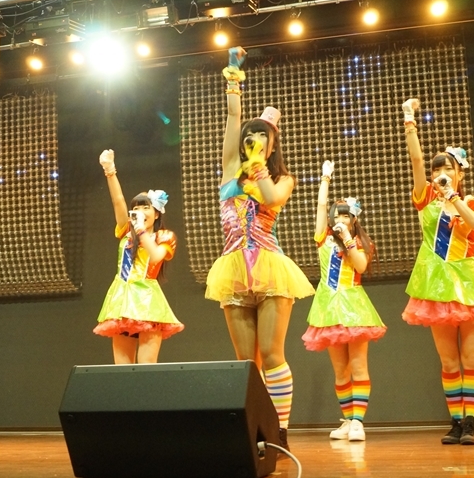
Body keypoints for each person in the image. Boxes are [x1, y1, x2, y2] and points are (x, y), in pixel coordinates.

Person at [204, 47, 314, 449]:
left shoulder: (283, 179)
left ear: (272, 145)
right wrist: (233, 77)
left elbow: (269, 198)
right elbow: (233, 119)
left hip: (269, 267)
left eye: (261, 136)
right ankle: (252, 430)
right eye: (250, 137)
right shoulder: (229, 173)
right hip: (233, 269)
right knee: (245, 363)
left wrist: (259, 168)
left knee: (271, 353)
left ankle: (279, 431)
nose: (252, 140)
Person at [400, 98, 474, 446]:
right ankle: (455, 421)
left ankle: (471, 423)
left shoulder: (473, 201)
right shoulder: (424, 198)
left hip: (469, 282)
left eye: (446, 168)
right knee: (449, 361)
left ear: (460, 173)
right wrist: (409, 120)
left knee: (471, 357)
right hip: (435, 285)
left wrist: (454, 197)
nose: (439, 173)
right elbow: (416, 160)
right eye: (436, 170)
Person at [301, 160, 385, 442]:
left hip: (354, 307)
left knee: (358, 365)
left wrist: (348, 239)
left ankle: (359, 421)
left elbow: (360, 266)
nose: (340, 218)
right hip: (328, 308)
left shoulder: (360, 243)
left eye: (346, 215)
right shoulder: (322, 237)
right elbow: (320, 206)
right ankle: (348, 420)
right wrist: (325, 179)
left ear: (354, 219)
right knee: (340, 370)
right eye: (337, 215)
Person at [93, 150, 183, 362]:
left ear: (157, 213)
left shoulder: (164, 236)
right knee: (122, 371)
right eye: (136, 207)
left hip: (148, 301)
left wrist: (141, 230)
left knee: (145, 369)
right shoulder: (126, 231)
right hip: (121, 300)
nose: (140, 211)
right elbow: (118, 201)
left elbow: (156, 256)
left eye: (145, 207)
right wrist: (110, 170)